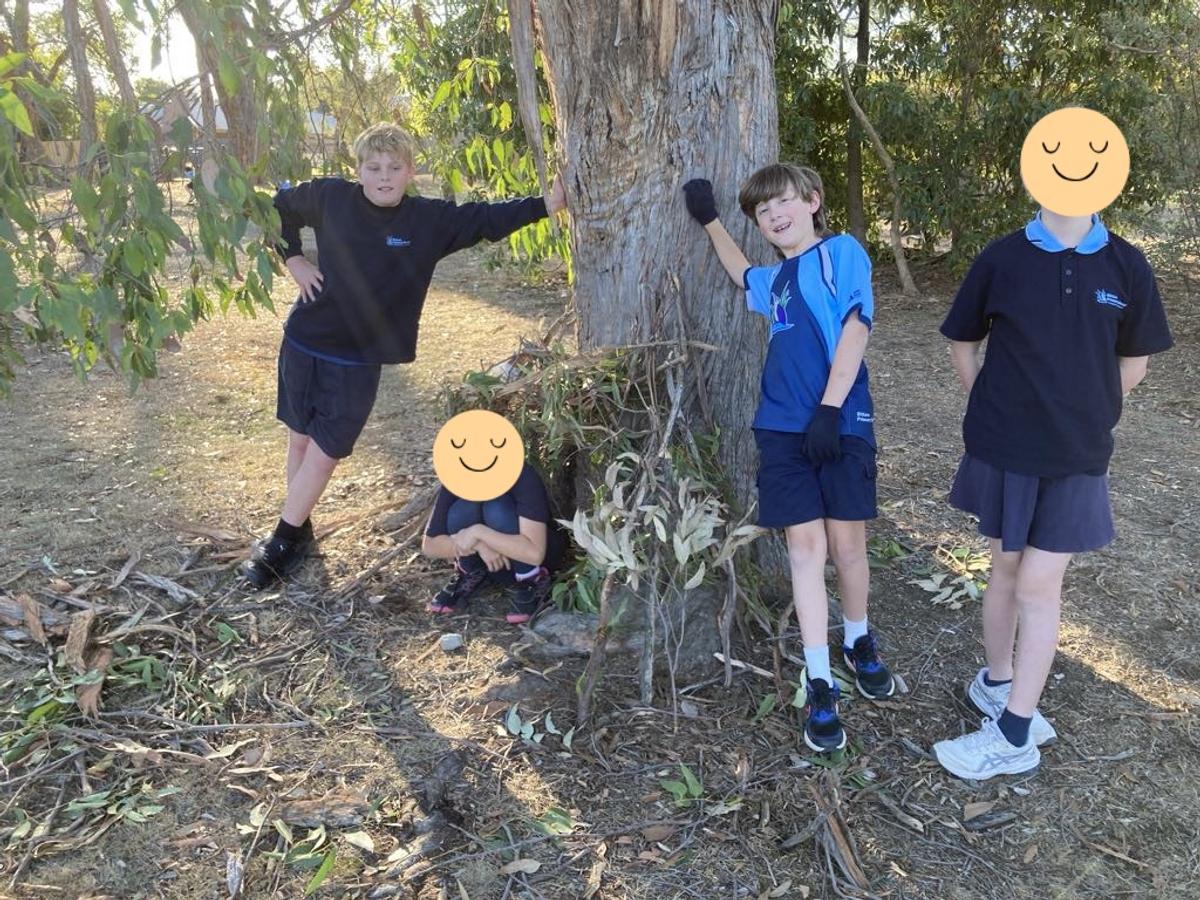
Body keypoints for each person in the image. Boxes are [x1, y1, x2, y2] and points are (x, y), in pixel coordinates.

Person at [240, 123, 567, 589]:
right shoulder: (331, 197)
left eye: (394, 168)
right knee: (300, 441)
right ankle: (300, 528)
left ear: (411, 172)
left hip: (358, 359)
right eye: (373, 167)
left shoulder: (427, 221)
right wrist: (293, 259)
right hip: (305, 338)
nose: (384, 177)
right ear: (358, 170)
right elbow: (276, 207)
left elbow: (486, 219)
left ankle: (281, 542)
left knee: (326, 453)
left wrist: (547, 205)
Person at [932, 208, 1173, 779]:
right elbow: (963, 343)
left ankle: (1014, 735)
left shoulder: (1127, 264)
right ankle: (997, 684)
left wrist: (1082, 414)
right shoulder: (1003, 256)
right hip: (1004, 447)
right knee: (1005, 568)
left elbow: (1134, 363)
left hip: (1075, 456)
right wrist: (993, 407)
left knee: (1038, 586)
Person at [683, 165, 896, 754]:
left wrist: (829, 409)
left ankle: (858, 640)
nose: (775, 215)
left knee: (847, 546)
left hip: (840, 422)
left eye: (783, 202)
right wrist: (711, 221)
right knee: (806, 549)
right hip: (780, 429)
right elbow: (742, 274)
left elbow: (857, 326)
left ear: (812, 201)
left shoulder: (841, 252)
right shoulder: (774, 279)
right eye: (763, 211)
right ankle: (820, 679)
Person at [421, 461, 564, 625]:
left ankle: (532, 579)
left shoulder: (522, 474)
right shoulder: (458, 474)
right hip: (490, 563)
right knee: (461, 510)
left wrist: (479, 532)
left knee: (497, 509)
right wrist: (479, 545)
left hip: (531, 559)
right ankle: (470, 571)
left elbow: (535, 554)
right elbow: (430, 546)